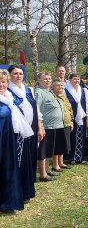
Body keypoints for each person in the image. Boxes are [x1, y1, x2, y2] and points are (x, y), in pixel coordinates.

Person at [7, 65, 43, 203]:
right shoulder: (8, 91)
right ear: (9, 75)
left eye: (20, 73)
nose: (18, 76)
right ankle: (19, 192)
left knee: (30, 160)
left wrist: (40, 127)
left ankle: (28, 190)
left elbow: (36, 110)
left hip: (32, 131)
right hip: (18, 134)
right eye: (15, 73)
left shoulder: (29, 90)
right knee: (20, 162)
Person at [0, 70, 25, 213]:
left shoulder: (8, 98)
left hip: (7, 140)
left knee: (7, 169)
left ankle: (7, 202)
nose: (1, 84)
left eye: (3, 81)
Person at [35, 71, 65, 181]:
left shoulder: (49, 92)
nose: (48, 80)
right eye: (45, 78)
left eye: (49, 78)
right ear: (39, 80)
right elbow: (36, 110)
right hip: (45, 126)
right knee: (42, 151)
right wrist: (40, 126)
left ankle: (47, 170)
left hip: (53, 126)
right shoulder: (39, 92)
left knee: (48, 151)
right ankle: (42, 175)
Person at [65, 73, 88, 164]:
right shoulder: (66, 90)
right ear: (70, 80)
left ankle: (81, 157)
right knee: (72, 137)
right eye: (75, 79)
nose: (77, 81)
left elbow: (87, 105)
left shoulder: (84, 91)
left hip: (82, 116)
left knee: (81, 136)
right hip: (72, 117)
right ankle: (72, 157)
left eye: (78, 79)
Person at [53, 79, 73, 171]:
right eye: (58, 86)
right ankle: (55, 164)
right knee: (57, 145)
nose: (60, 87)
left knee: (63, 144)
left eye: (62, 86)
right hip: (57, 124)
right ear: (53, 86)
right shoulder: (53, 97)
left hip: (66, 123)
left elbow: (69, 109)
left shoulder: (64, 97)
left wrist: (71, 121)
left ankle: (61, 162)